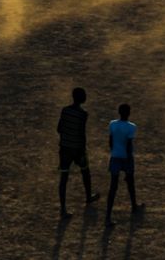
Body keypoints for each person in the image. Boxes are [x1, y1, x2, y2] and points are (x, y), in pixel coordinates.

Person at [57, 87, 101, 219]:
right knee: (85, 171)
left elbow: (59, 129)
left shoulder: (65, 110)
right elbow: (82, 134)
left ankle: (63, 208)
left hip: (65, 148)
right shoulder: (83, 114)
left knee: (64, 178)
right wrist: (82, 148)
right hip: (77, 148)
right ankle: (88, 196)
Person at [105, 103, 144, 227]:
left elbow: (110, 142)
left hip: (115, 157)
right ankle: (134, 205)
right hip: (126, 158)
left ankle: (108, 216)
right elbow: (128, 145)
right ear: (129, 113)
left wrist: (113, 151)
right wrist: (128, 160)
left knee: (113, 187)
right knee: (130, 182)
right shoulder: (131, 127)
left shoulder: (112, 124)